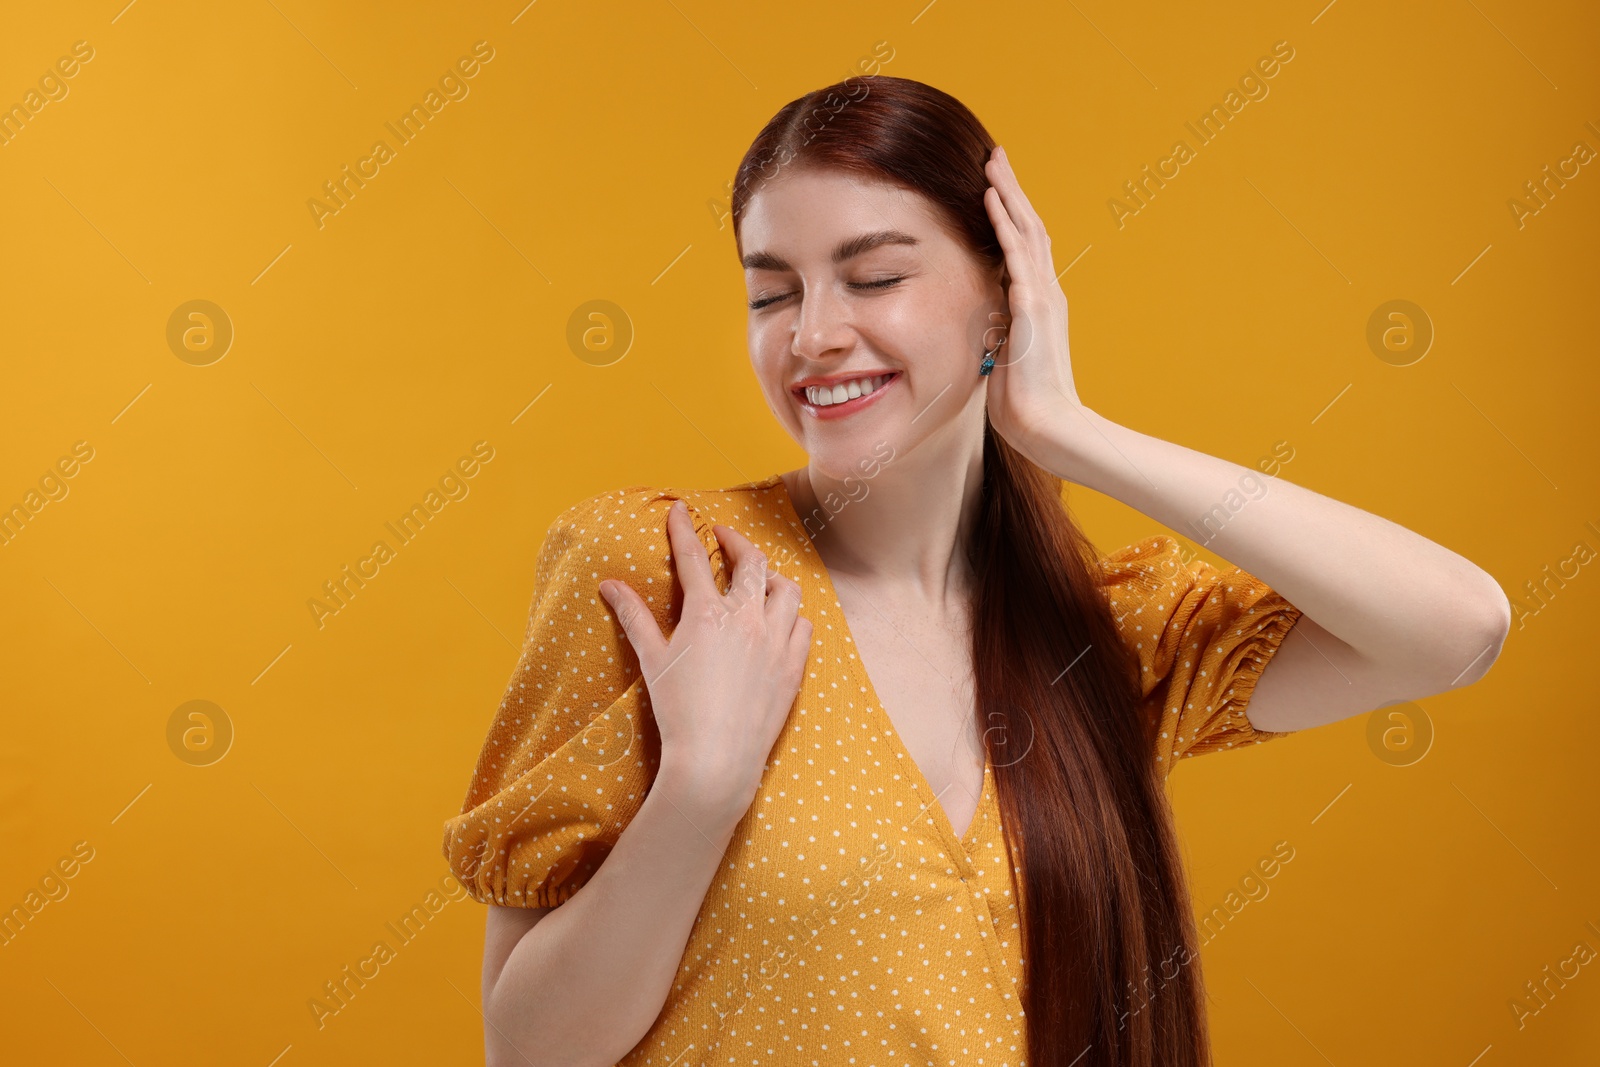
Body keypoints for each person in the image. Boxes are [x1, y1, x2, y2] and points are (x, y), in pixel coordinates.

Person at [441, 75, 1511, 1067]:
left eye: (875, 276)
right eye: (773, 295)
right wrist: (701, 788)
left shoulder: (1099, 628)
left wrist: (1070, 430)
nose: (813, 334)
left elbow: (1456, 625)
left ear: (1004, 300)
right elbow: (533, 1049)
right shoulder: (666, 572)